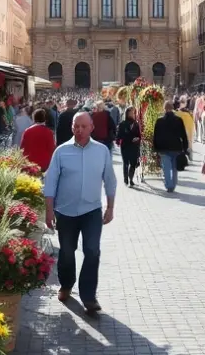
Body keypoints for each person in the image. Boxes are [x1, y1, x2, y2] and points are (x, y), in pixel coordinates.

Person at [43, 112, 117, 315]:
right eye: (77, 126)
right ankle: (66, 284)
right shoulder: (61, 151)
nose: (80, 130)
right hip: (65, 212)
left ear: (92, 127)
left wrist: (110, 207)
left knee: (92, 251)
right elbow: (50, 183)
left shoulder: (102, 151)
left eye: (84, 126)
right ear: (72, 127)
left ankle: (89, 296)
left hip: (91, 210)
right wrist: (49, 212)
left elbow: (110, 180)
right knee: (66, 252)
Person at [153, 101, 189, 192]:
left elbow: (156, 136)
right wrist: (185, 147)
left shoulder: (159, 121)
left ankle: (169, 185)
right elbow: (183, 135)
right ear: (172, 108)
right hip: (176, 147)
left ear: (164, 109)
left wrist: (155, 148)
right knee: (174, 168)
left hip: (164, 148)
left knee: (166, 168)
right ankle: (173, 184)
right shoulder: (178, 120)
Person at [116, 106, 142, 187]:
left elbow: (139, 135)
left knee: (133, 163)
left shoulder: (136, 124)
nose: (133, 114)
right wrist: (118, 141)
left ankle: (131, 178)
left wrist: (137, 138)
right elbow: (119, 135)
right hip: (125, 145)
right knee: (126, 163)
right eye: (131, 112)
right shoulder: (122, 124)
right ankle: (126, 180)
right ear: (127, 113)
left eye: (134, 113)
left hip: (134, 146)